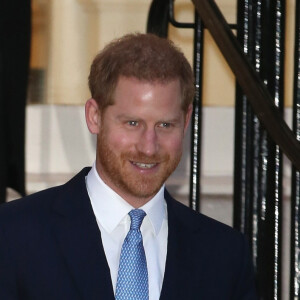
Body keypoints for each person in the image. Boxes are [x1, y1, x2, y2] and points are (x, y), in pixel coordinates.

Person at [0, 33, 257, 299]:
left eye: (165, 125)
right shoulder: (12, 236)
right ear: (94, 116)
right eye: (132, 123)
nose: (148, 147)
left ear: (186, 120)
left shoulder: (224, 256)